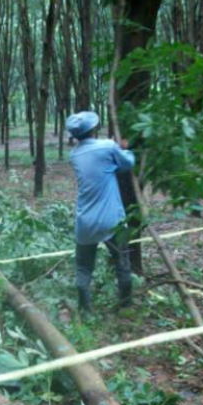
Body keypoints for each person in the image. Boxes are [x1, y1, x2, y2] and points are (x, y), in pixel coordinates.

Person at [66, 111, 135, 314]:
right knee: (122, 262)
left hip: (85, 221)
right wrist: (123, 149)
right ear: (93, 129)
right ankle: (126, 304)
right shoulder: (107, 146)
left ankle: (85, 310)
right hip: (112, 220)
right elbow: (127, 164)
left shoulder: (74, 155)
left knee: (83, 268)